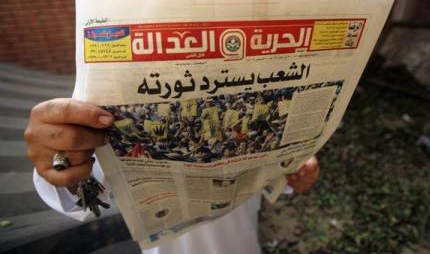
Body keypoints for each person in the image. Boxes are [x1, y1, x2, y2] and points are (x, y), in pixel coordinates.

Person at [25, 98, 319, 253]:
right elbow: (80, 192)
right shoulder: (113, 108)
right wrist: (61, 161)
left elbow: (274, 171)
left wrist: (295, 171)